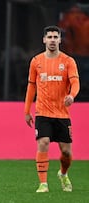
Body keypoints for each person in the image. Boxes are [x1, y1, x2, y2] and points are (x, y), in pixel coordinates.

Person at [24, 25, 80, 193]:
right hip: (43, 112)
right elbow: (31, 87)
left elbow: (75, 82)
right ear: (44, 40)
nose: (53, 40)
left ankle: (63, 174)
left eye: (56, 37)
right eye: (50, 37)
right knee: (43, 142)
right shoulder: (36, 61)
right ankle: (43, 184)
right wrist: (27, 111)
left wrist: (72, 95)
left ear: (60, 40)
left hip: (62, 113)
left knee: (66, 154)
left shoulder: (68, 61)